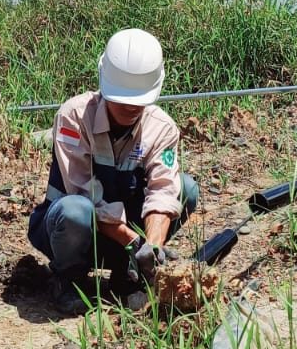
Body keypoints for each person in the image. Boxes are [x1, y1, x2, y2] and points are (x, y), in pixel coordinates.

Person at [27, 28, 199, 316]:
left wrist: (152, 247)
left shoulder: (162, 128)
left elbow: (163, 190)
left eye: (138, 100)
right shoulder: (74, 117)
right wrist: (133, 242)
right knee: (75, 210)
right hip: (70, 235)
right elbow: (84, 195)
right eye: (123, 98)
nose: (131, 106)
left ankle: (127, 274)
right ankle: (69, 278)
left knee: (186, 189)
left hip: (124, 236)